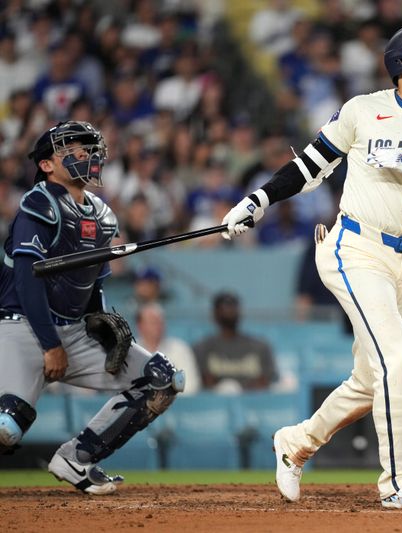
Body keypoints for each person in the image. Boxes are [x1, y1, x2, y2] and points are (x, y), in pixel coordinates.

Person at [221, 22, 402, 510]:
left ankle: (296, 441)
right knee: (398, 358)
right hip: (355, 248)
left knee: (370, 381)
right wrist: (258, 199)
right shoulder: (363, 110)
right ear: (401, 60)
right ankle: (397, 483)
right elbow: (309, 165)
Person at [0, 121, 184, 494]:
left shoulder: (102, 215)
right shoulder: (39, 203)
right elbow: (27, 279)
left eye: (88, 150)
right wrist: (51, 345)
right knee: (7, 428)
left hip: (73, 330)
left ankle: (77, 458)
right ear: (47, 165)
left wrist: (99, 318)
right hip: (21, 327)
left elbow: (93, 283)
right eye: (73, 150)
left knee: (163, 379)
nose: (86, 156)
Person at [192, 291, 278, 392]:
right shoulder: (201, 348)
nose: (229, 311)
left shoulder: (260, 346)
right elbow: (203, 382)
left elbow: (267, 380)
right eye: (224, 307)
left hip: (252, 404)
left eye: (232, 306)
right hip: (217, 406)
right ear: (214, 314)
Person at [135, 303, 201, 395]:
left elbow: (190, 387)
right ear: (140, 326)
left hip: (176, 405)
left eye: (161, 322)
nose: (158, 327)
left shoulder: (180, 349)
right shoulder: (130, 351)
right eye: (153, 322)